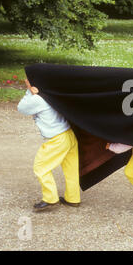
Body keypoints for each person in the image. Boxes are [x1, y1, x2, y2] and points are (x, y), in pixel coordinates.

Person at [18, 79, 80, 211]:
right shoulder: (53, 94)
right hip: (69, 134)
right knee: (71, 169)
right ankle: (73, 198)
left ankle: (50, 198)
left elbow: (21, 108)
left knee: (41, 166)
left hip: (57, 138)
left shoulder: (38, 99)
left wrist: (29, 92)